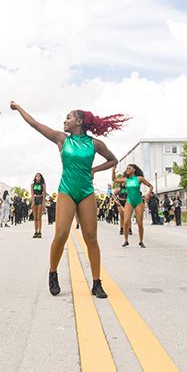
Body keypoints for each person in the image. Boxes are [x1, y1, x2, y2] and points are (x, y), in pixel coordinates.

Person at [11, 101, 125, 299]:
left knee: (91, 237)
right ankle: (53, 273)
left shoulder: (94, 144)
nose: (65, 121)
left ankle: (97, 283)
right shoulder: (62, 139)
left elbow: (113, 159)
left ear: (79, 121)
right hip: (66, 191)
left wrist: (94, 170)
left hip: (86, 192)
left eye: (69, 117)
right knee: (61, 233)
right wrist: (18, 107)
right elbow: (35, 124)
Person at [112, 164, 154, 248]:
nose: (127, 169)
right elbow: (114, 179)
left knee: (139, 223)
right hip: (129, 201)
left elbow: (151, 186)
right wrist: (113, 169)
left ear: (134, 170)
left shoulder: (139, 179)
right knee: (126, 221)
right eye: (126, 168)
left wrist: (148, 194)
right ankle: (126, 240)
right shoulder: (125, 180)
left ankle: (141, 241)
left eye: (129, 168)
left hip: (138, 202)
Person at [30, 173, 47, 238]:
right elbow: (32, 193)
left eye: (39, 176)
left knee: (39, 217)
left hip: (40, 199)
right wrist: (33, 202)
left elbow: (44, 193)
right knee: (35, 218)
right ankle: (35, 232)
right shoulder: (32, 184)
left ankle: (39, 232)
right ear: (35, 177)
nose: (37, 177)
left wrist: (43, 203)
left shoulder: (43, 184)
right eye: (36, 176)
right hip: (35, 199)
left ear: (41, 177)